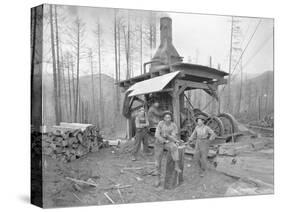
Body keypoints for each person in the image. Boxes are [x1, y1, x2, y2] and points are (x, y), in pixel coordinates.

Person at [154, 110, 182, 186]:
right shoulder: (160, 123)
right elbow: (156, 134)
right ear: (163, 118)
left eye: (169, 117)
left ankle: (176, 165)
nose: (167, 118)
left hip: (168, 141)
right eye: (166, 117)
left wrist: (168, 136)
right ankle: (157, 179)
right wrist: (163, 140)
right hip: (159, 143)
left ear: (171, 118)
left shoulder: (173, 125)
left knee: (174, 147)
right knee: (157, 162)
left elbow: (173, 136)